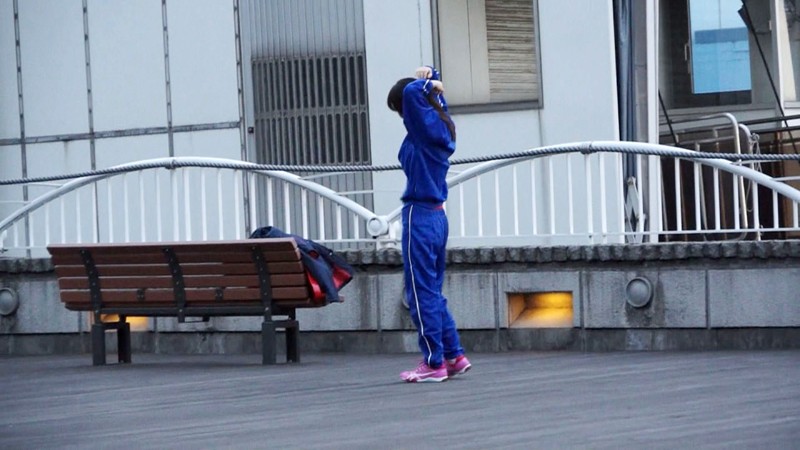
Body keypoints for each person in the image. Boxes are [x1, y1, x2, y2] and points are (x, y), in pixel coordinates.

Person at [386, 66, 471, 383]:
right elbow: (429, 99)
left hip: (419, 215)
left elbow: (412, 93)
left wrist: (426, 81)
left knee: (420, 293)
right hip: (437, 217)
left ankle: (434, 362)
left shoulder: (421, 131)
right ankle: (454, 355)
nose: (402, 116)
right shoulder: (441, 126)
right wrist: (432, 80)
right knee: (432, 291)